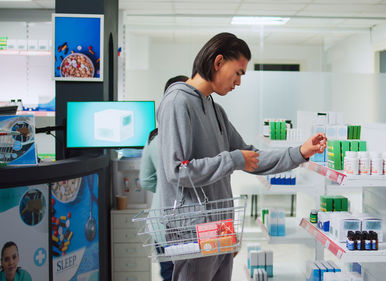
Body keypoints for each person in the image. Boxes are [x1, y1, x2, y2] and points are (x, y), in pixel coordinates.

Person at [156, 32, 326, 281]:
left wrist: (299, 152)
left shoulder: (215, 109)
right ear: (218, 62)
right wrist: (234, 159)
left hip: (220, 225)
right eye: (238, 73)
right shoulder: (177, 102)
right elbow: (177, 170)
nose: (238, 82)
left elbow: (251, 157)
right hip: (193, 229)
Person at [140, 75, 189, 281]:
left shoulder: (154, 139)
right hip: (188, 225)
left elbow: (145, 180)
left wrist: (164, 190)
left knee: (169, 275)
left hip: (161, 224)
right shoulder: (189, 138)